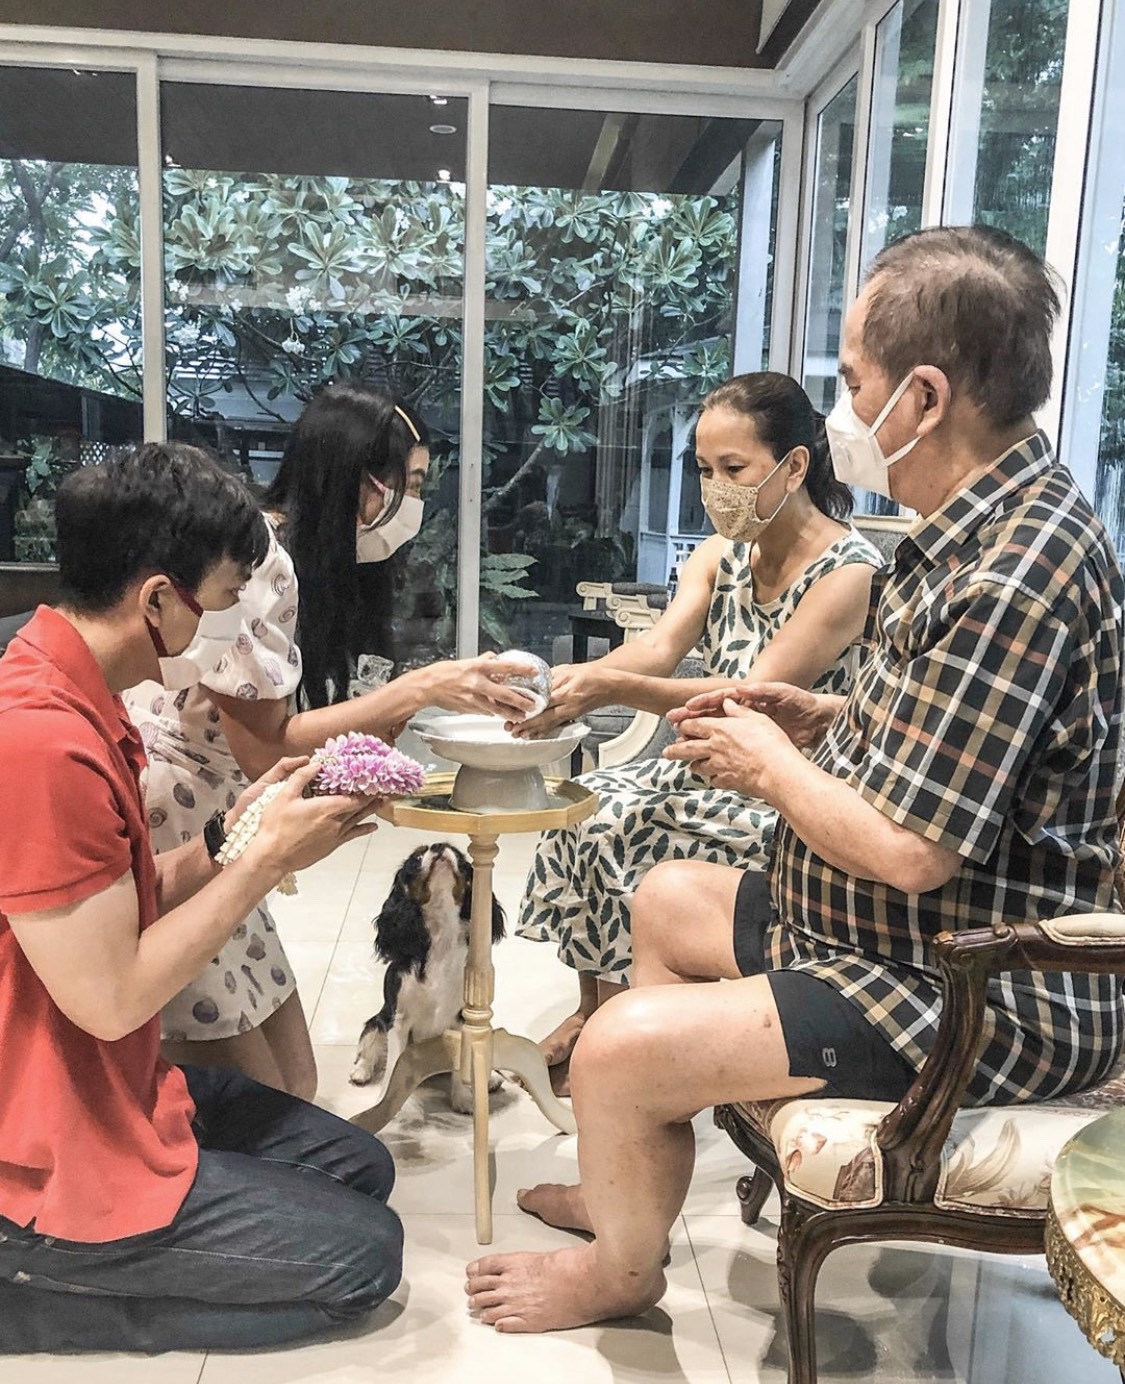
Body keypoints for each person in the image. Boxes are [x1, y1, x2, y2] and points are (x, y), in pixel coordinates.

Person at [463, 225, 1125, 1333]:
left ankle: (622, 1267)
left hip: (971, 985)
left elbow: (914, 850)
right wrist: (826, 717)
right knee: (665, 896)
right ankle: (628, 1188)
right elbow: (958, 741)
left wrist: (770, 767)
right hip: (889, 932)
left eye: (854, 384)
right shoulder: (968, 531)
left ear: (924, 397)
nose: (844, 413)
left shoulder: (1015, 572)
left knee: (615, 1048)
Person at [0, 446, 403, 1353]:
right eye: (223, 599)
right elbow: (111, 998)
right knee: (363, 1262)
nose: (231, 626)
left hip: (114, 1085)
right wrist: (261, 867)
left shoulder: (85, 693)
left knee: (359, 1170)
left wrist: (233, 837)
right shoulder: (40, 743)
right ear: (157, 600)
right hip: (44, 1141)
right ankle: (37, 1293)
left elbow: (122, 900)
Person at [124, 385, 536, 1098]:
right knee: (258, 1101)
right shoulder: (260, 561)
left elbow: (287, 725)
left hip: (224, 806)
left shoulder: (319, 561)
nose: (414, 504)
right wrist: (419, 689)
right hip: (177, 806)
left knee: (295, 1083)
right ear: (359, 479)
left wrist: (385, 719)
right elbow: (266, 746)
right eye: (409, 485)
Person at [514, 372, 882, 1088]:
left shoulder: (848, 573)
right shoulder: (720, 554)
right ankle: (598, 1008)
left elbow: (749, 697)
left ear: (794, 466)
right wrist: (568, 683)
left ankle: (641, 1028)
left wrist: (608, 687)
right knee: (586, 810)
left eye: (733, 469)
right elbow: (656, 650)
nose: (716, 489)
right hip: (701, 764)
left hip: (785, 786)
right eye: (705, 470)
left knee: (624, 825)